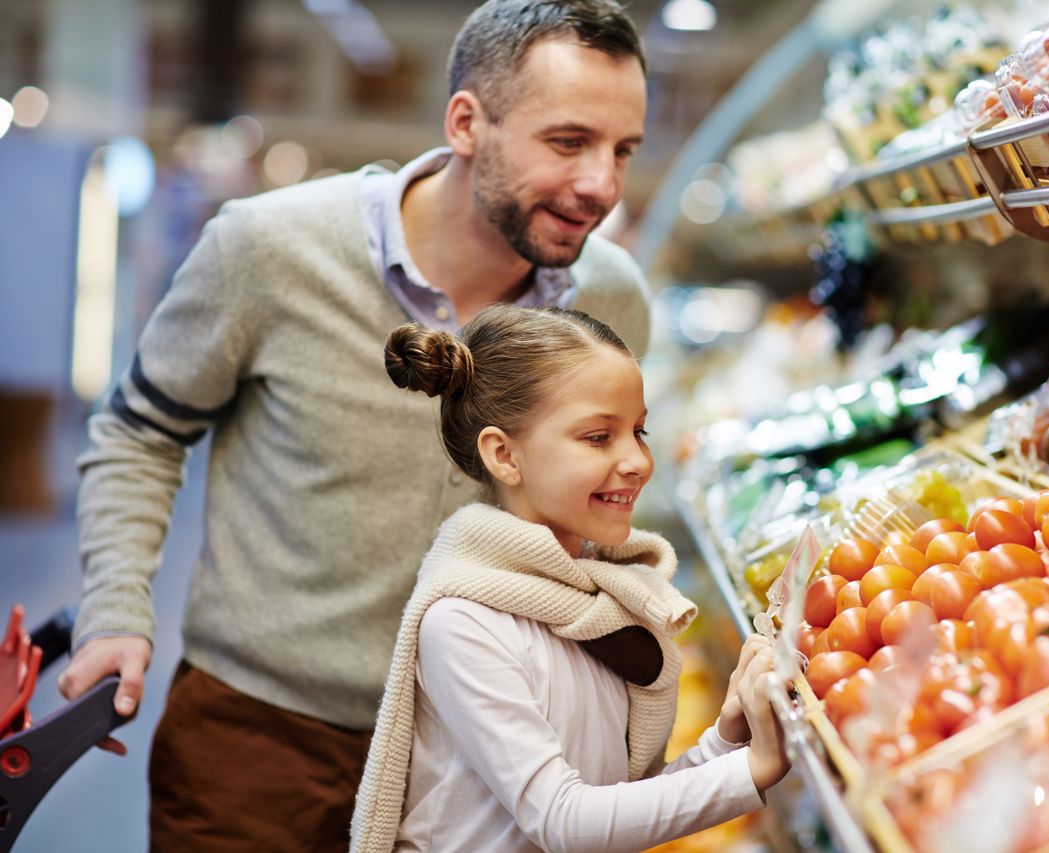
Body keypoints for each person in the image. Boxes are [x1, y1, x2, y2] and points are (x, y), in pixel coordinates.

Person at [58, 1, 654, 847]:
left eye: (623, 149)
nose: (603, 183)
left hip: (482, 748)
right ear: (466, 124)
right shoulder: (269, 250)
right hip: (258, 740)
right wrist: (116, 607)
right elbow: (140, 430)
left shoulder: (613, 298)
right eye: (568, 142)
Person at [351, 305, 789, 852]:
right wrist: (751, 770)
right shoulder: (462, 622)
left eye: (639, 431)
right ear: (504, 455)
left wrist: (729, 737)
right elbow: (564, 821)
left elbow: (623, 804)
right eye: (598, 437)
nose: (637, 460)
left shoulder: (596, 601)